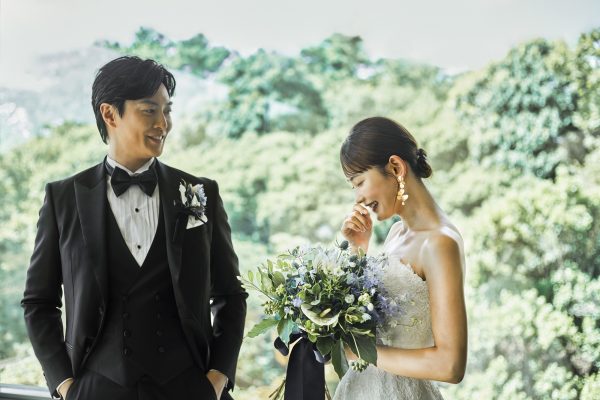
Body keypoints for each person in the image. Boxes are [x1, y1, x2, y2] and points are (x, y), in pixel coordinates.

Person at [21, 56, 247, 400]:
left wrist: (217, 378)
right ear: (110, 114)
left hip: (189, 388)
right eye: (149, 110)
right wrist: (65, 385)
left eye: (167, 110)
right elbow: (39, 302)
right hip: (95, 389)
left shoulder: (200, 193)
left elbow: (230, 294)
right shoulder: (63, 198)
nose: (163, 123)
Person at [334, 117, 467, 399]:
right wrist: (358, 249)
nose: (358, 198)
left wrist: (363, 352)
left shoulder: (440, 243)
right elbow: (377, 326)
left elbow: (450, 365)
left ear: (395, 167)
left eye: (359, 182)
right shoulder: (396, 233)